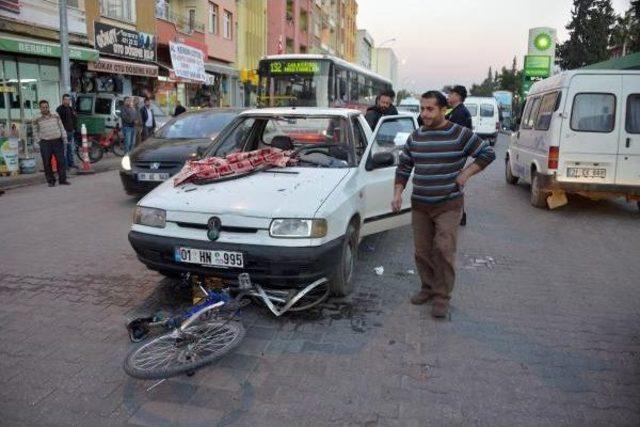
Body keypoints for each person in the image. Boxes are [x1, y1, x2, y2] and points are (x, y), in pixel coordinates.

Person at [392, 91, 495, 319]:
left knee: (444, 249)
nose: (424, 114)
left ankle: (442, 296)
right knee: (422, 251)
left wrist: (466, 173)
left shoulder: (459, 134)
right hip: (420, 204)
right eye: (422, 109)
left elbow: (487, 153)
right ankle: (427, 288)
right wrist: (397, 193)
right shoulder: (416, 137)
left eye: (430, 109)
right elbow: (404, 166)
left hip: (448, 203)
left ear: (443, 110)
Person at [445, 85, 473, 226]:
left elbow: (458, 137)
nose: (448, 97)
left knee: (455, 183)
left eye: (451, 95)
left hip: (456, 154)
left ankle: (459, 214)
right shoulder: (455, 111)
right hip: (455, 153)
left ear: (457, 96)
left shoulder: (460, 113)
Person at [34, 100, 70, 187]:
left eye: (46, 107)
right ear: (40, 108)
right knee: (47, 163)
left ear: (48, 107)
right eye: (43, 107)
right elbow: (35, 131)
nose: (45, 109)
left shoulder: (55, 115)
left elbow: (61, 126)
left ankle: (62, 180)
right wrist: (38, 141)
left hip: (57, 141)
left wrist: (64, 138)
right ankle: (51, 181)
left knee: (61, 161)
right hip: (45, 142)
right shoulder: (36, 118)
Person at [56, 94, 77, 169]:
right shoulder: (59, 109)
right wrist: (61, 132)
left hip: (71, 131)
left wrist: (74, 128)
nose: (67, 101)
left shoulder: (70, 109)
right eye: (65, 99)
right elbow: (57, 122)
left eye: (68, 100)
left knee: (70, 149)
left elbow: (74, 119)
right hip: (64, 132)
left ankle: (71, 163)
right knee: (64, 149)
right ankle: (65, 165)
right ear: (62, 100)